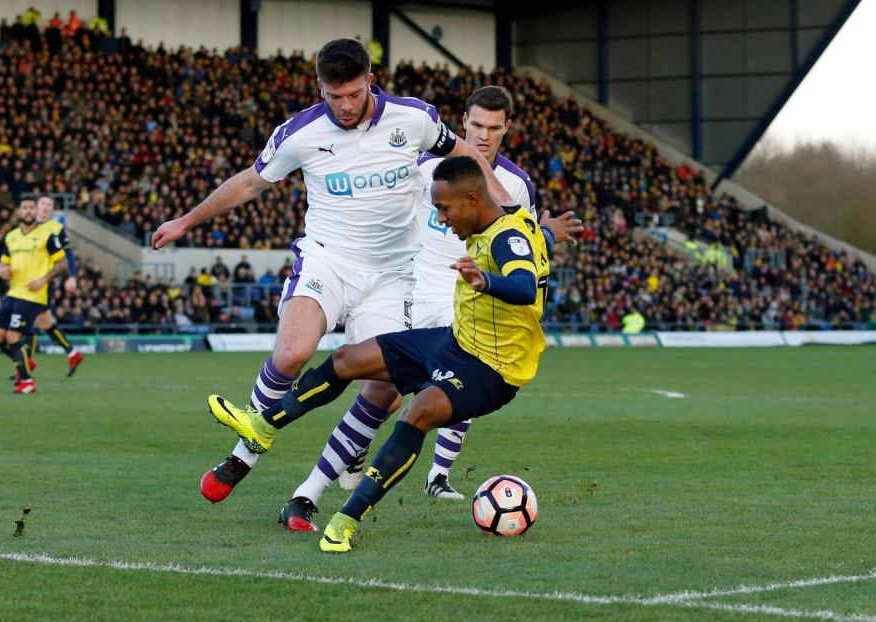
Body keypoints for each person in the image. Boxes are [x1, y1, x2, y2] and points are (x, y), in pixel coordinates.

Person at [152, 38, 517, 530]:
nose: (344, 107)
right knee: (293, 352)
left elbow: (465, 152)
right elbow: (249, 182)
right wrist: (185, 221)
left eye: (353, 94)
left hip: (393, 273)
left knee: (380, 390)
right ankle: (241, 457)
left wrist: (512, 215)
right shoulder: (299, 133)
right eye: (333, 96)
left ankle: (305, 496)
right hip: (328, 260)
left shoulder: (414, 119)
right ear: (319, 87)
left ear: (370, 80)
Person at [208, 156, 552, 552]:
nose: (441, 218)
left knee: (416, 413)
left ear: (473, 199)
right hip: (454, 341)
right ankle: (263, 426)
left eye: (444, 208)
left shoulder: (506, 240)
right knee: (347, 360)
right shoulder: (518, 224)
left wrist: (484, 279)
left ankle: (346, 520)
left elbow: (525, 287)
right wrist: (552, 233)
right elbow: (538, 241)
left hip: (492, 369)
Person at [328, 85, 582, 502]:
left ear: (507, 129)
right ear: (463, 123)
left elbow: (525, 246)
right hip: (417, 285)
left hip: (473, 293)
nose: (484, 135)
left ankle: (438, 475)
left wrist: (547, 237)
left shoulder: (518, 186)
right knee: (384, 392)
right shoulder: (425, 166)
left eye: (494, 128)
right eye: (477, 125)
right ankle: (355, 448)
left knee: (462, 380)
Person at [0, 199, 67, 394]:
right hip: (13, 293)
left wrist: (43, 280)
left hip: (33, 295)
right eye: (24, 207)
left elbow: (61, 264)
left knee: (12, 336)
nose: (28, 211)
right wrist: (2, 271)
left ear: (36, 211)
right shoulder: (11, 237)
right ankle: (24, 360)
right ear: (19, 211)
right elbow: (3, 264)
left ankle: (27, 381)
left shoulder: (48, 235)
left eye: (31, 207)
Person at [31, 195, 85, 377]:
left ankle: (26, 365)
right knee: (45, 323)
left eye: (49, 205)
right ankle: (73, 353)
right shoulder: (27, 226)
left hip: (45, 281)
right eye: (43, 204)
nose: (45, 207)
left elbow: (68, 254)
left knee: (27, 320)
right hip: (28, 281)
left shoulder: (56, 228)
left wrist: (72, 277)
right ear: (37, 206)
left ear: (52, 209)